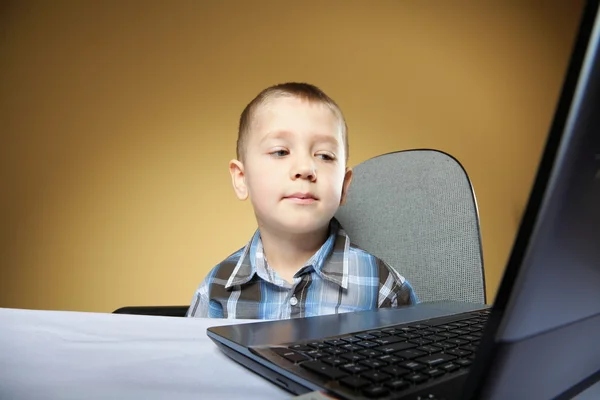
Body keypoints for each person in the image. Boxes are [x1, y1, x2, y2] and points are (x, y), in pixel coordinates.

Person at [186, 82, 418, 319]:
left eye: (325, 156)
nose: (306, 168)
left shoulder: (384, 288)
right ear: (242, 179)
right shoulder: (215, 290)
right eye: (280, 152)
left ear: (344, 186)